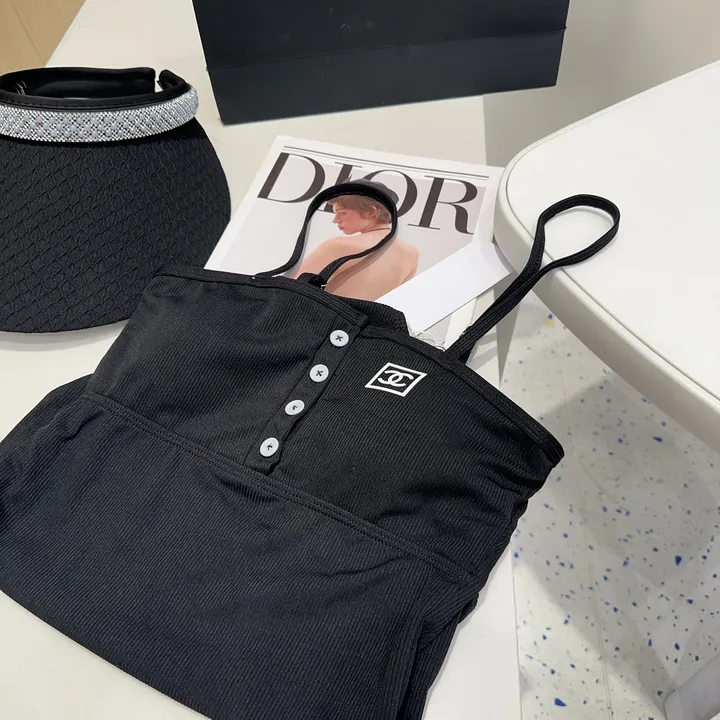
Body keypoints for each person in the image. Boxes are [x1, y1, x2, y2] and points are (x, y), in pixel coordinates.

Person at [291, 180, 419, 301]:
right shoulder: (411, 254)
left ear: (370, 212)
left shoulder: (338, 246)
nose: (335, 220)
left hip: (319, 315)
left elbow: (291, 290)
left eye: (342, 213)